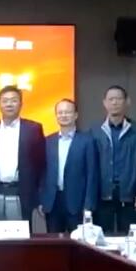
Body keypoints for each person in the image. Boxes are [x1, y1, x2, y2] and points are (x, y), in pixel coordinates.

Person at [91, 85, 136, 234]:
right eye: (111, 99)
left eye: (118, 99)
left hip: (130, 194)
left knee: (130, 237)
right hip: (102, 193)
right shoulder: (95, 130)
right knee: (102, 238)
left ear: (127, 102)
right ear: (104, 103)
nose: (114, 102)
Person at [0, 86, 46, 221]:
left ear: (21, 104)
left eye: (13, 100)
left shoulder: (33, 128)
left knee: (21, 231)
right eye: (5, 101)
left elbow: (41, 163)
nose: (9, 104)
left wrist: (39, 195)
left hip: (22, 191)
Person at [38, 99, 98, 233]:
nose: (63, 115)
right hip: (53, 202)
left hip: (77, 202)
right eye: (60, 112)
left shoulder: (87, 140)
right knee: (53, 242)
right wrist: (42, 200)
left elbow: (92, 174)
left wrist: (88, 205)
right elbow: (43, 172)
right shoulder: (48, 141)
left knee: (78, 242)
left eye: (68, 112)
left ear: (76, 115)